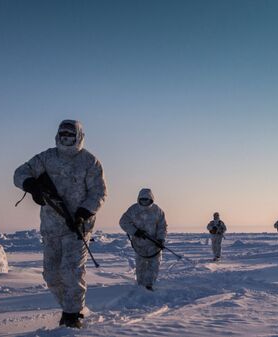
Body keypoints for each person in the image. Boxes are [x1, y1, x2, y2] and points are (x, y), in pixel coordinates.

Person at [13, 120, 107, 328]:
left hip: (78, 227)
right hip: (51, 227)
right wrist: (32, 185)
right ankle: (70, 307)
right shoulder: (46, 157)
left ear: (78, 136)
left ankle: (73, 316)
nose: (65, 137)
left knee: (71, 270)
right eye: (62, 133)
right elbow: (20, 173)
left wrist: (83, 213)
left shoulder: (90, 162)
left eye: (69, 134)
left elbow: (99, 193)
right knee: (51, 274)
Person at [119, 188, 167, 291]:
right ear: (139, 199)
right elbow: (123, 222)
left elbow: (162, 226)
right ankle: (141, 286)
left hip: (154, 244)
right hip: (139, 244)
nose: (144, 201)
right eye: (142, 199)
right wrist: (135, 232)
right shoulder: (133, 209)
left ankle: (149, 284)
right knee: (140, 266)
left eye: (147, 199)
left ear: (151, 199)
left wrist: (160, 239)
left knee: (154, 265)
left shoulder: (158, 211)